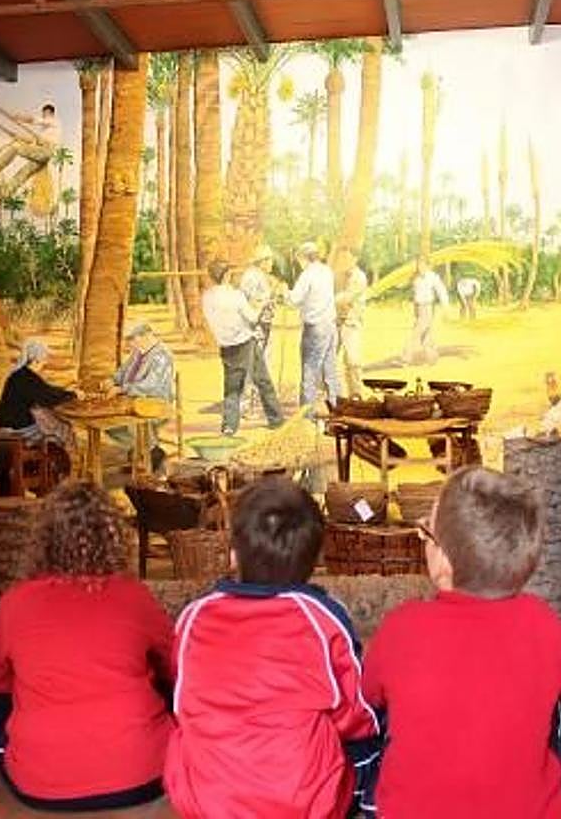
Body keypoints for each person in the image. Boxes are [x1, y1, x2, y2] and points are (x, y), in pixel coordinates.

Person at [363, 466, 561, 818]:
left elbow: (370, 692)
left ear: (444, 562)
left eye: (427, 532)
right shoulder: (542, 621)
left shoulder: (402, 626)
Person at [165, 476, 382, 818]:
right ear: (315, 560)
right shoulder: (321, 617)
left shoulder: (193, 616)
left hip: (207, 802)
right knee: (376, 735)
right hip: (302, 804)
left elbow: (181, 704)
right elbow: (355, 714)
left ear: (233, 555)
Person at [0, 482, 174, 811]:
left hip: (39, 785)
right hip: (144, 776)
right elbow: (176, 666)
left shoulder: (16, 601)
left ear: (43, 539)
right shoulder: (133, 595)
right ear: (115, 537)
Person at [202, 261, 284, 436]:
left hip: (226, 345)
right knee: (263, 380)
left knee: (231, 389)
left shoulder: (207, 297)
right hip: (245, 343)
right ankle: (276, 420)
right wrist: (263, 303)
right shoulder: (235, 296)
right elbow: (253, 318)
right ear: (227, 275)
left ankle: (229, 426)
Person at [0, 339, 76, 496]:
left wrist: (65, 392)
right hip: (18, 432)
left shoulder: (18, 376)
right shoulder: (28, 378)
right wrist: (74, 395)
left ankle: (49, 483)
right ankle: (53, 486)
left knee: (52, 430)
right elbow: (48, 396)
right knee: (61, 435)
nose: (45, 362)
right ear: (37, 359)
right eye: (44, 359)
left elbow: (46, 390)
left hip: (6, 429)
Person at [108, 322, 174, 471]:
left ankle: (151, 452)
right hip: (134, 398)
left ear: (146, 336)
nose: (130, 343)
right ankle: (141, 450)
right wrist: (111, 380)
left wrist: (121, 389)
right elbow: (123, 371)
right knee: (110, 423)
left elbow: (150, 385)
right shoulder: (139, 352)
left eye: (133, 338)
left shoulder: (162, 356)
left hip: (157, 401)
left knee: (132, 418)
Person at [288, 241, 341, 406]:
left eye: (299, 260)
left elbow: (294, 299)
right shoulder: (327, 271)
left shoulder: (307, 275)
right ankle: (337, 406)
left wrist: (284, 292)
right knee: (330, 370)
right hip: (330, 326)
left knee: (309, 371)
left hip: (315, 327)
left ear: (304, 258)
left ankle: (307, 414)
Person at [336, 251, 369, 398]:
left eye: (348, 258)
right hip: (337, 322)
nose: (345, 262)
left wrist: (326, 300)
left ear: (355, 259)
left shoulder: (359, 277)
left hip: (351, 323)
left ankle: (356, 395)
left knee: (353, 361)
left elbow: (347, 298)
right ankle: (330, 396)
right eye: (343, 258)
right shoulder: (338, 276)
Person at [403, 259, 449, 365]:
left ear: (428, 266)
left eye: (422, 265)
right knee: (425, 335)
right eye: (418, 265)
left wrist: (445, 306)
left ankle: (406, 358)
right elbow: (413, 292)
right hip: (418, 307)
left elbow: (441, 290)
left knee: (416, 333)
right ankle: (432, 358)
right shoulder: (416, 277)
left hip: (428, 307)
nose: (420, 268)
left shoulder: (433, 277)